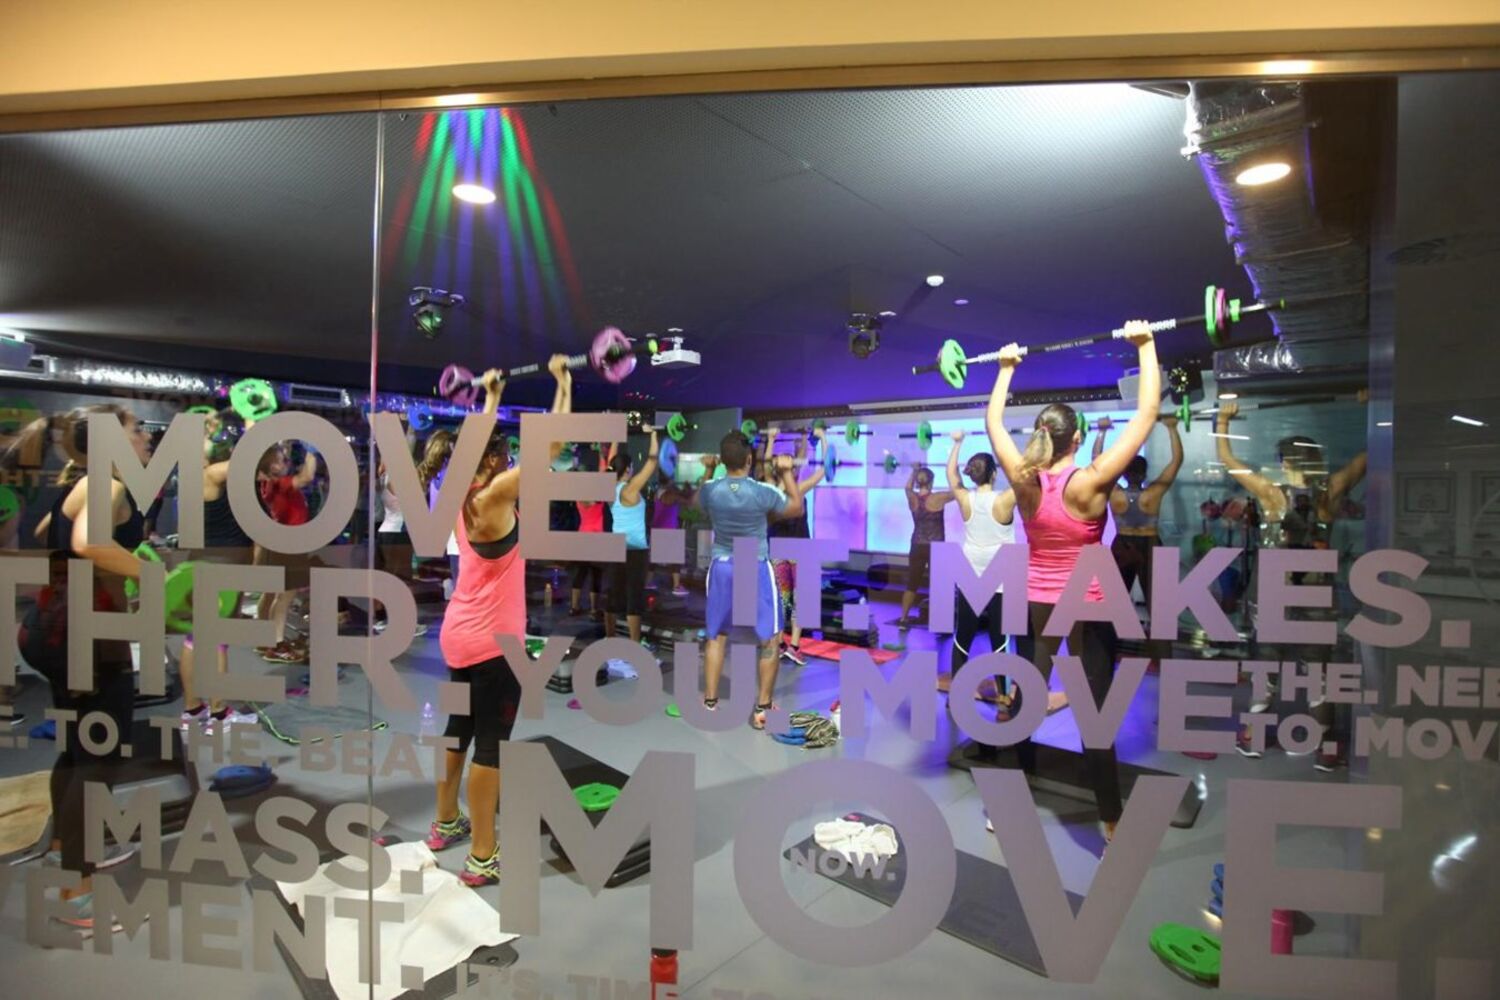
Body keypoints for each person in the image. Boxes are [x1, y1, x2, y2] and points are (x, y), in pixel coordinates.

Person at [985, 321, 1157, 844]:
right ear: (1077, 438)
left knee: (1023, 705)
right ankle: (1111, 820)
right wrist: (1146, 346)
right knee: (1095, 716)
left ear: (1041, 436)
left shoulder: (1024, 480)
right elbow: (1146, 414)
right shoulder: (1092, 481)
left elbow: (993, 421)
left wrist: (1006, 369)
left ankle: (1002, 806)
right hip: (1090, 603)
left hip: (1040, 603)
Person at [428, 354, 571, 887]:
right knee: (491, 746)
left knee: (456, 731)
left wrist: (490, 398)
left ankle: (446, 822)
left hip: (457, 638)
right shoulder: (492, 495)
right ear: (491, 460)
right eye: (504, 454)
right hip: (492, 647)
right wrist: (563, 382)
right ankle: (482, 856)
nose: (510, 459)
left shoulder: (457, 493)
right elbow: (551, 446)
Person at [11, 405, 151, 935]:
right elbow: (87, 542)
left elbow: (46, 529)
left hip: (53, 627)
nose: (146, 439)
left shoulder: (79, 482)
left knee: (77, 749)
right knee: (100, 759)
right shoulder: (105, 485)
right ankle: (77, 893)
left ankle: (63, 850)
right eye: (137, 431)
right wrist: (151, 573)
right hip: (84, 635)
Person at [1215, 400, 1367, 766]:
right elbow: (1366, 458)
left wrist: (1223, 419)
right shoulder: (1330, 492)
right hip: (1314, 593)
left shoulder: (1272, 494)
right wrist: (1373, 406)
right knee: (1318, 673)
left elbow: (1227, 459)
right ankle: (1326, 750)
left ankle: (1253, 739)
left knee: (1266, 666)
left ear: (1284, 463)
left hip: (1273, 593)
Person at [697, 431, 808, 729]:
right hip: (753, 563)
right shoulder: (761, 491)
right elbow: (797, 507)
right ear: (749, 460)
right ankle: (762, 709)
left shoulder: (711, 490)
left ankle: (709, 704)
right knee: (770, 638)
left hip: (722, 565)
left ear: (722, 461)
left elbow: (699, 500)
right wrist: (786, 472)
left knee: (716, 635)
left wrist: (708, 470)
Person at [178, 408, 258, 732]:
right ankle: (219, 713)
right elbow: (248, 459)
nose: (213, 440)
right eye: (207, 437)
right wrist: (252, 424)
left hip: (208, 563)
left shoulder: (198, 475)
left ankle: (193, 710)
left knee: (195, 639)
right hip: (219, 567)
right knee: (217, 640)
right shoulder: (208, 474)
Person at [940, 430, 1016, 699]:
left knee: (963, 637)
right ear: (994, 474)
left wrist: (957, 443)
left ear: (972, 475)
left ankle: (956, 697)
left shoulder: (965, 499)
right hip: (1000, 578)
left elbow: (951, 475)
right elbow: (1023, 475)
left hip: (970, 573)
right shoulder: (1004, 500)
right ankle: (1003, 697)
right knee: (1000, 640)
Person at [1092, 413, 1183, 616]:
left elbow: (1097, 464)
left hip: (1123, 542)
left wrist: (1101, 432)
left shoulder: (1115, 494)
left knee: (1116, 602)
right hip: (1148, 542)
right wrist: (1172, 428)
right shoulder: (1153, 494)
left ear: (1124, 473)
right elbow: (1176, 461)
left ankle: (1114, 635)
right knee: (1156, 605)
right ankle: (1156, 633)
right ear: (1144, 474)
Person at [253, 441, 318, 665]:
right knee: (285, 596)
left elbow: (286, 461)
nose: (286, 463)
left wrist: (285, 445)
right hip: (290, 544)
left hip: (278, 542)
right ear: (272, 466)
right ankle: (276, 644)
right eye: (281, 461)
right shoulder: (280, 484)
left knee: (271, 593)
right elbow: (307, 476)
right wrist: (312, 451)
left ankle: (264, 638)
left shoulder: (267, 483)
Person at [767, 427, 825, 665]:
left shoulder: (771, 489)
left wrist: (771, 439)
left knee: (783, 599)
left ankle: (781, 643)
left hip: (778, 550)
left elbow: (766, 464)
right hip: (799, 550)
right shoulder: (798, 490)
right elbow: (824, 469)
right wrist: (823, 439)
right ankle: (795, 646)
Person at [603, 428, 660, 646]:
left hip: (615, 546)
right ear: (628, 469)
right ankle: (634, 644)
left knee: (613, 595)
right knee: (634, 597)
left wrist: (617, 437)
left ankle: (609, 639)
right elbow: (652, 462)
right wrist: (653, 434)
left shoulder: (609, 487)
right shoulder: (630, 489)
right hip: (635, 550)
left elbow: (611, 460)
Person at [896, 462, 955, 630]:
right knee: (939, 585)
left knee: (912, 584)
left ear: (917, 481)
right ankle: (941, 623)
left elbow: (907, 487)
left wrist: (914, 470)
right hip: (936, 547)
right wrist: (953, 473)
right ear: (931, 482)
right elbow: (957, 493)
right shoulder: (938, 498)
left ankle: (903, 619)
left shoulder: (912, 497)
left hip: (917, 545)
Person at [417, 430, 460, 598]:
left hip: (454, 539)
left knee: (460, 582)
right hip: (459, 538)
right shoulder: (447, 474)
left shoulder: (438, 474)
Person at [569, 446, 607, 619]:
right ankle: (592, 609)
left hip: (582, 537)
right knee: (595, 574)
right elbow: (603, 475)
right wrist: (601, 455)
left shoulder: (580, 496)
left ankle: (575, 607)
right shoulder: (595, 497)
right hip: (596, 539)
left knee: (581, 573)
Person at [650, 478, 690, 597]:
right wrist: (687, 492)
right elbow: (687, 501)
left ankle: (648, 582)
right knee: (675, 561)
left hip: (660, 529)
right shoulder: (668, 495)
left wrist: (686, 490)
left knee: (654, 560)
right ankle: (676, 586)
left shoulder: (660, 493)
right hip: (667, 530)